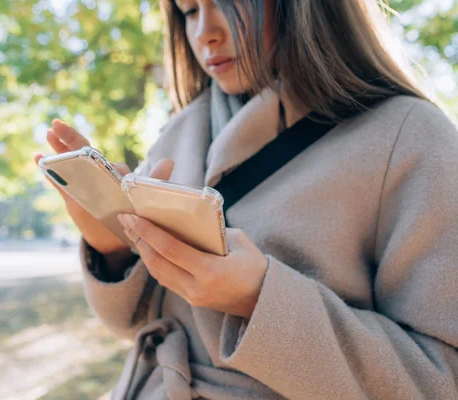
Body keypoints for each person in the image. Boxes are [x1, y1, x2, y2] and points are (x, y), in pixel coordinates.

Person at [35, 0, 458, 398]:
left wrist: (258, 299)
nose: (205, 32)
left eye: (227, 3)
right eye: (189, 10)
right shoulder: (179, 131)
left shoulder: (412, 137)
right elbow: (138, 324)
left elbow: (442, 378)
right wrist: (111, 245)